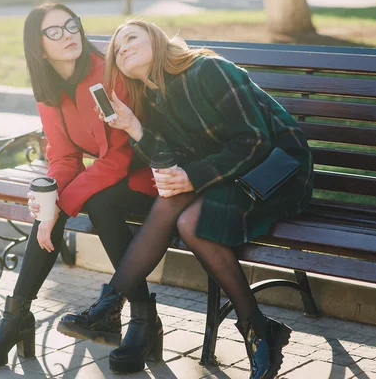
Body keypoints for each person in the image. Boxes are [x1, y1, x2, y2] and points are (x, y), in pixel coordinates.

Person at [59, 19, 314, 378]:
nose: (123, 48)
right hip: (227, 176)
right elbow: (170, 159)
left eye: (132, 37)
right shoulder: (153, 98)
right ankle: (258, 328)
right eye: (117, 49)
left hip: (275, 172)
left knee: (188, 218)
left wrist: (192, 176)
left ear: (157, 40)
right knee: (180, 208)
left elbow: (255, 142)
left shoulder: (208, 70)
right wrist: (133, 126)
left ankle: (108, 305)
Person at [0, 4, 159, 369]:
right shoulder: (47, 84)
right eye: (54, 31)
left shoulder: (106, 72)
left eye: (71, 25)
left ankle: (143, 318)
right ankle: (17, 315)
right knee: (52, 202)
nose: (68, 34)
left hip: (152, 166)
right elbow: (63, 157)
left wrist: (62, 201)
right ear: (39, 47)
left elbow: (120, 156)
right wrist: (47, 201)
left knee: (95, 203)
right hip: (114, 173)